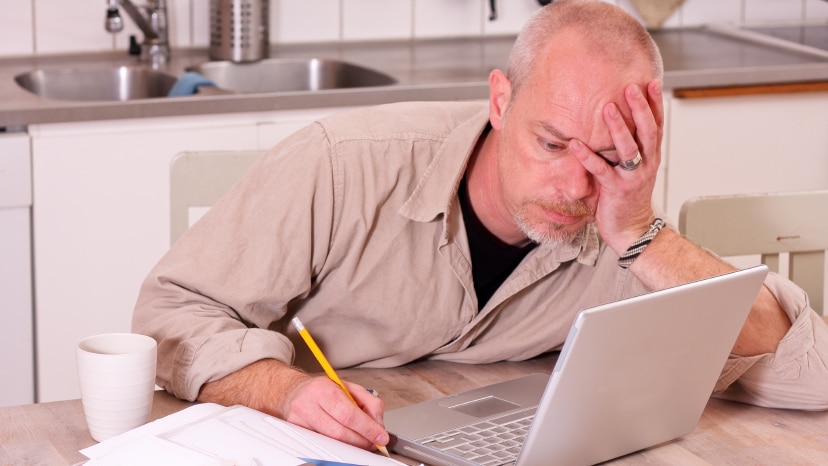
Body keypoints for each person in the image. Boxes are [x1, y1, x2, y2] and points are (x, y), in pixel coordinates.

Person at [133, 0, 828, 453]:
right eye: (551, 144)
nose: (573, 187)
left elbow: (812, 377)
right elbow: (171, 313)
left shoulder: (620, 216)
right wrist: (284, 391)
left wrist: (642, 232)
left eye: (609, 157)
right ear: (501, 99)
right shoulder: (341, 165)